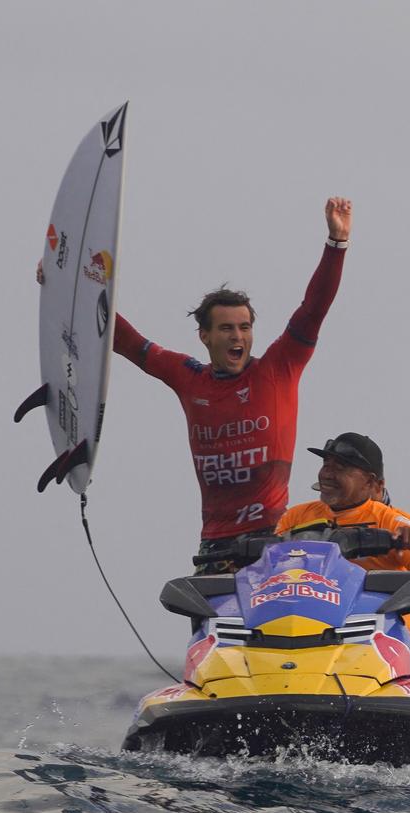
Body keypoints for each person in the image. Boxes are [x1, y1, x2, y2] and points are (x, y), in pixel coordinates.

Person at [39, 198, 351, 563]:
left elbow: (313, 309)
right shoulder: (189, 378)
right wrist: (67, 289)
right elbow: (127, 342)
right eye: (226, 329)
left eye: (245, 327)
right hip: (214, 546)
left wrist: (336, 244)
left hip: (271, 540)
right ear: (204, 335)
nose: (238, 337)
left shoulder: (277, 370)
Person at [276, 432, 410, 682]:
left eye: (341, 468)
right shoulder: (296, 518)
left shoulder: (392, 521)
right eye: (326, 465)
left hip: (388, 639)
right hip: (313, 633)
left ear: (371, 483)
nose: (327, 474)